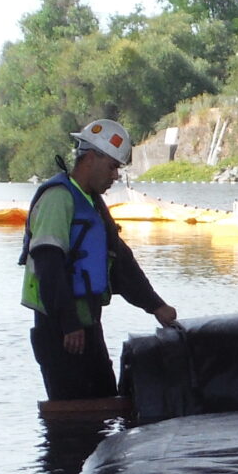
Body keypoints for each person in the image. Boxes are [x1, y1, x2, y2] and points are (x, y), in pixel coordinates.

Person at [22, 120, 179, 405]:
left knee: (106, 403)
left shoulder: (92, 203)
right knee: (75, 417)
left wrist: (156, 305)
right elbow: (49, 266)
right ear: (91, 159)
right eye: (112, 166)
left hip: (87, 327)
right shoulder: (58, 199)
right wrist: (69, 324)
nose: (116, 175)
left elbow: (121, 264)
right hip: (61, 332)